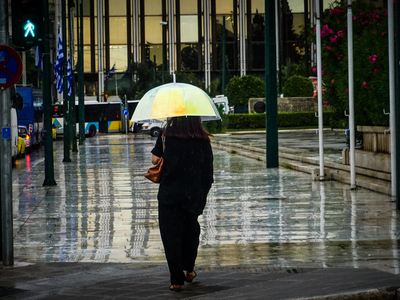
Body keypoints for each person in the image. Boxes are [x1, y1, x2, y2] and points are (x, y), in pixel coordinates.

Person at [151, 116, 214, 292]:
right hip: (193, 195)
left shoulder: (166, 137)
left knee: (170, 236)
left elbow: (155, 161)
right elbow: (208, 172)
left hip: (169, 195)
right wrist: (202, 193)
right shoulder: (202, 140)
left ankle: (176, 280)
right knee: (190, 233)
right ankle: (189, 268)